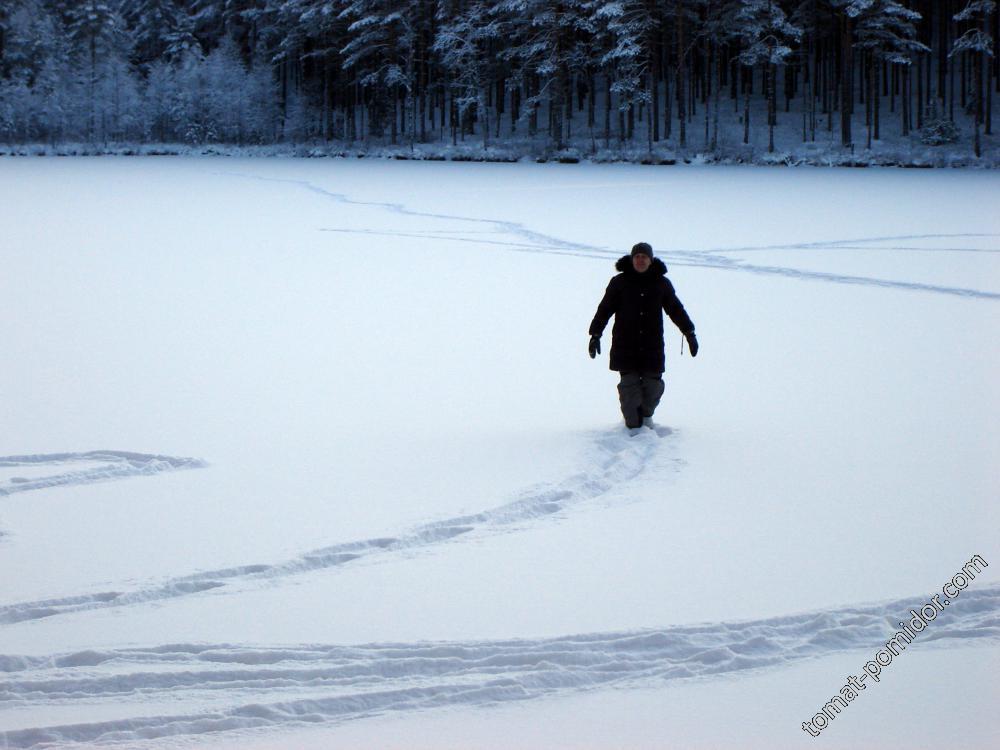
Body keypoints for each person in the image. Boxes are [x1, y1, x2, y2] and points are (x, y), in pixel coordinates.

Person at [588, 242, 698, 429]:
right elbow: (604, 309)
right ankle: (633, 424)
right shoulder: (619, 283)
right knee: (629, 391)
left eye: (644, 257)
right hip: (625, 346)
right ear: (632, 260)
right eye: (637, 257)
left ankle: (646, 415)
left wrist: (689, 333)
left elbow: (676, 309)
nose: (640, 260)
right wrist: (595, 334)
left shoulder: (661, 284)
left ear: (651, 260)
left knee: (653, 387)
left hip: (652, 346)